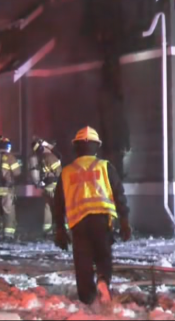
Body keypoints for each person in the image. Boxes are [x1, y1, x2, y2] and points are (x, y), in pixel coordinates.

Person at [53, 126, 132, 305]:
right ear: (96, 147)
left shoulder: (67, 172)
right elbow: (119, 194)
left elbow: (58, 203)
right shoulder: (105, 167)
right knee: (103, 255)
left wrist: (59, 229)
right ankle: (103, 280)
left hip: (78, 223)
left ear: (76, 147)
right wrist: (125, 221)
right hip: (102, 220)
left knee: (83, 262)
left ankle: (87, 299)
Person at [29, 138, 62, 238]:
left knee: (47, 208)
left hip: (47, 187)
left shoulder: (42, 157)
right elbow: (59, 172)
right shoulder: (50, 157)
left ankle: (47, 231)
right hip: (55, 187)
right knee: (59, 208)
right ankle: (61, 230)